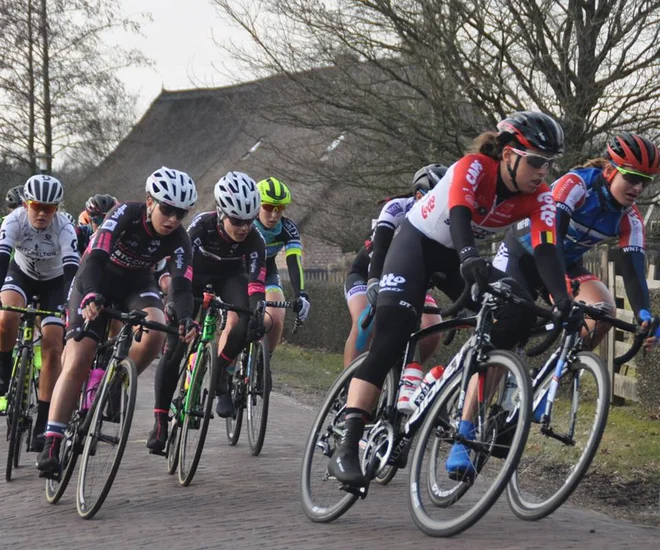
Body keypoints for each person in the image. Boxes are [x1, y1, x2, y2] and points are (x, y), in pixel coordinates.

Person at [326, 111, 572, 487]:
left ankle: (466, 413)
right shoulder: (475, 166)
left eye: (549, 164)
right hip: (418, 247)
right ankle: (348, 440)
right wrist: (469, 257)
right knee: (392, 336)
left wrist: (562, 299)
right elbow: (458, 213)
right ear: (508, 155)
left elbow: (547, 251)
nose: (543, 172)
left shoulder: (540, 198)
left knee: (515, 313)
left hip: (459, 256)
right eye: (536, 161)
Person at [36, 167, 198, 477]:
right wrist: (92, 295)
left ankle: (114, 383)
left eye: (181, 213)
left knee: (155, 332)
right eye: (167, 209)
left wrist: (186, 317)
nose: (173, 219)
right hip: (95, 279)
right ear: (150, 202)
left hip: (137, 284)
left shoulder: (180, 239)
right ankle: (52, 442)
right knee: (79, 357)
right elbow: (95, 258)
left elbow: (180, 286)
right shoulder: (125, 212)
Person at [494, 132, 660, 349]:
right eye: (631, 177)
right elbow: (554, 236)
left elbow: (633, 272)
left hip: (565, 262)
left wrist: (644, 316)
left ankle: (559, 370)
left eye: (644, 181)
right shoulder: (576, 184)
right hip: (524, 255)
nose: (637, 188)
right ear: (609, 171)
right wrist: (559, 284)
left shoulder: (631, 219)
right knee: (503, 338)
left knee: (604, 310)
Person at [147, 171, 267, 454]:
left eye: (249, 221)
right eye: (237, 221)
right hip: (195, 276)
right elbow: (182, 272)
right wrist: (181, 306)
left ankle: (220, 371)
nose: (243, 228)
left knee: (250, 321)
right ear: (221, 213)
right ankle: (160, 420)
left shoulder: (255, 240)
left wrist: (258, 311)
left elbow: (255, 284)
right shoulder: (200, 228)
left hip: (231, 277)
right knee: (175, 346)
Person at [0, 175, 78, 449]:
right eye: (36, 206)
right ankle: (3, 367)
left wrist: (72, 306)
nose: (42, 213)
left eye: (50, 207)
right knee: (5, 318)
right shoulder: (14, 221)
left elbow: (71, 272)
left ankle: (43, 420)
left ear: (57, 208)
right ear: (25, 203)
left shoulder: (65, 228)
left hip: (54, 283)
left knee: (53, 346)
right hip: (21, 274)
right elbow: (1, 258)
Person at [343, 164, 447, 368]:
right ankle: (347, 389)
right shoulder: (397, 208)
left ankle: (400, 375)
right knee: (366, 321)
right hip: (367, 274)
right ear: (419, 195)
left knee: (432, 327)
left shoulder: (442, 221)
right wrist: (374, 282)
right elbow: (379, 252)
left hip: (407, 278)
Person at [253, 177, 310, 355]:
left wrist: (300, 293)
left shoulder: (287, 228)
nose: (274, 215)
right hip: (241, 273)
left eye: (280, 209)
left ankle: (263, 366)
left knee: (276, 318)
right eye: (269, 207)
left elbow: (294, 262)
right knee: (234, 322)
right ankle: (226, 371)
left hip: (267, 272)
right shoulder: (245, 223)